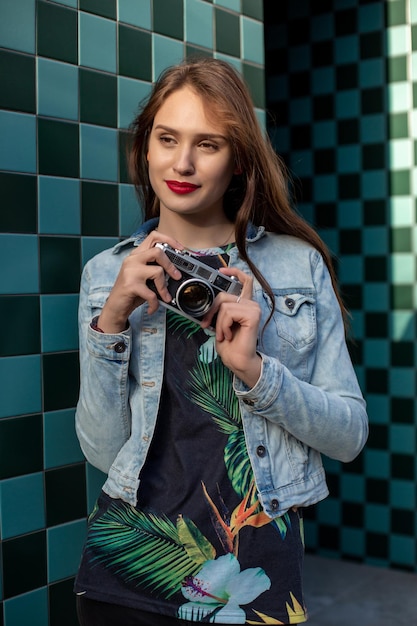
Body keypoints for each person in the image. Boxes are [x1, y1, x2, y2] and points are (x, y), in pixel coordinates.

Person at [74, 57, 368, 626]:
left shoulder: (295, 266)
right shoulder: (104, 274)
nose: (181, 163)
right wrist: (110, 322)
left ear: (237, 161)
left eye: (207, 144)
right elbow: (102, 451)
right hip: (127, 563)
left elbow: (349, 436)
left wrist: (258, 372)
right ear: (145, 149)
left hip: (252, 577)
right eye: (167, 139)